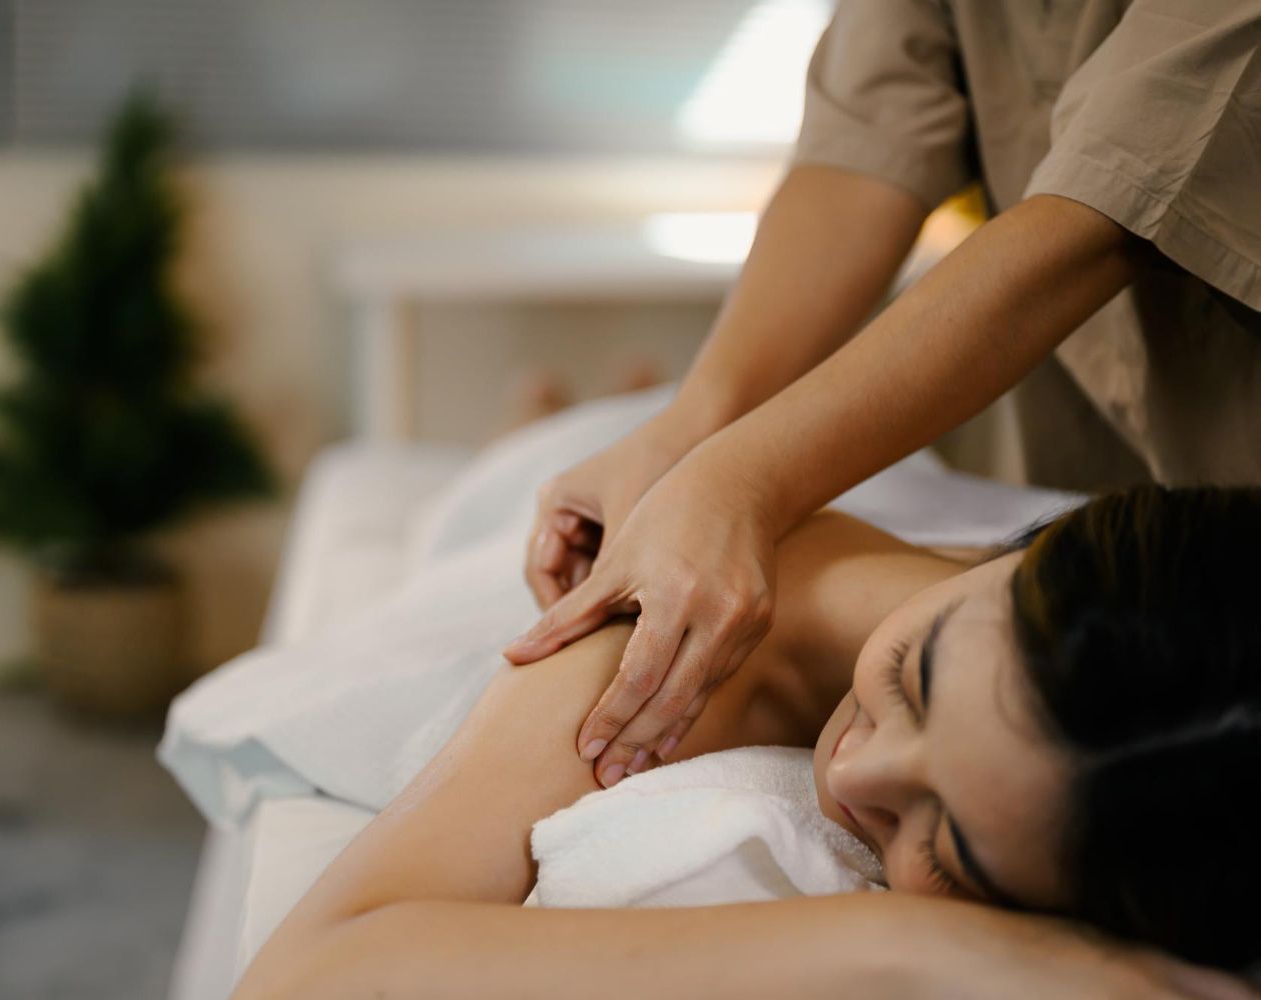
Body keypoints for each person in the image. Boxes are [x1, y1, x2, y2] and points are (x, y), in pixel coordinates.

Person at [506, 0, 1261, 788]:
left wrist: (736, 477)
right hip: (1076, 514)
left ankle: (550, 423)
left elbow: (1110, 205)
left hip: (1222, 543)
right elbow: (866, 137)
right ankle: (554, 425)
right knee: (593, 451)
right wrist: (692, 429)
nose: (851, 781)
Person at [232, 485, 1259, 998]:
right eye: (913, 676)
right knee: (512, 500)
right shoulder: (672, 650)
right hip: (599, 513)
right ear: (1027, 555)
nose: (854, 771)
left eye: (948, 852)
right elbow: (303, 981)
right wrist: (929, 941)